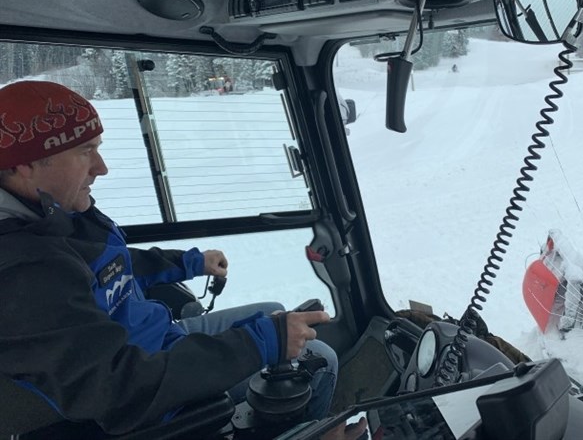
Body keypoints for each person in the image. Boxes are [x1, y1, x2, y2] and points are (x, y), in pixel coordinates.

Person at [0, 81, 337, 435]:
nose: (102, 167)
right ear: (25, 164)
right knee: (318, 361)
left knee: (274, 311)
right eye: (85, 152)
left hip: (155, 341)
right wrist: (261, 342)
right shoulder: (21, 270)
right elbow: (116, 388)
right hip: (151, 383)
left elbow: (109, 266)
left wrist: (188, 262)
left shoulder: (52, 212)